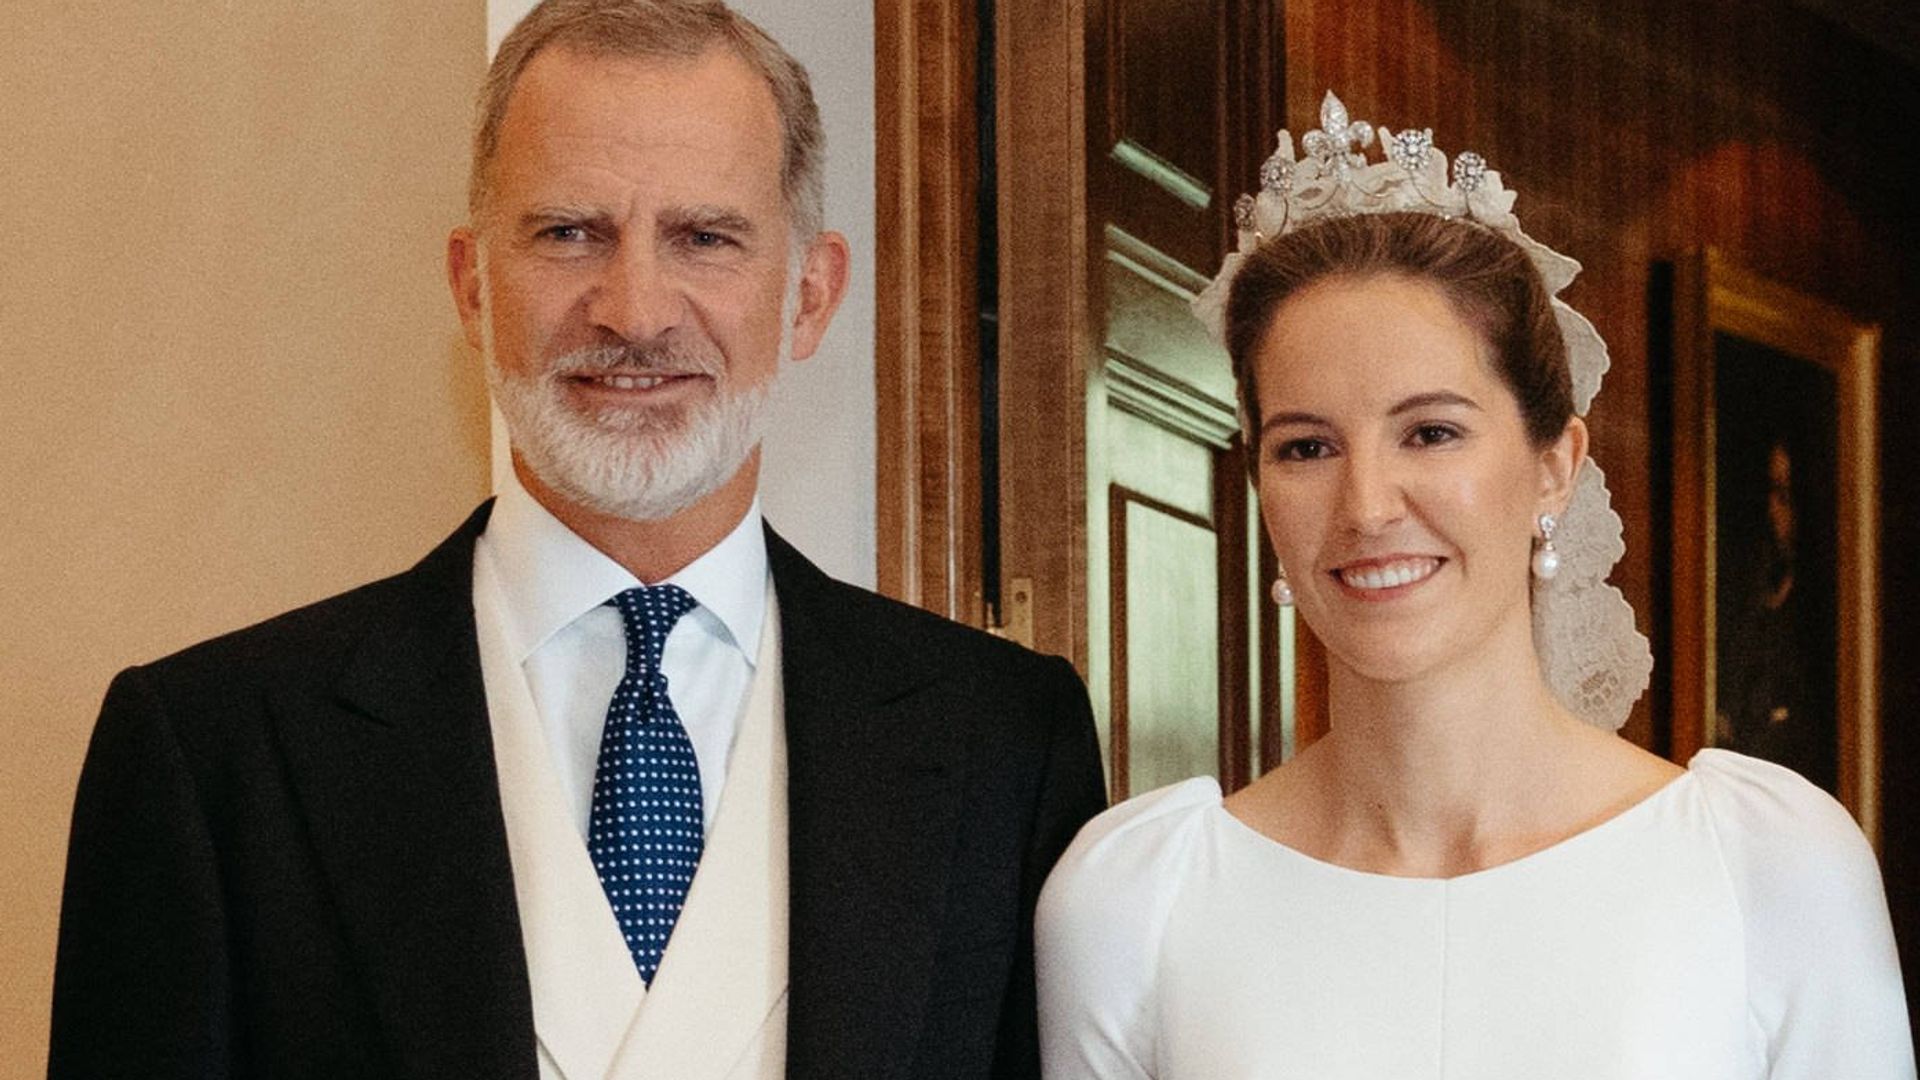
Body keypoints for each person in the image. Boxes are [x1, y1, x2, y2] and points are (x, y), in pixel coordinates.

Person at [49, 2, 1106, 1077]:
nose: (636, 310)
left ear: (810, 293)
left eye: (705, 237)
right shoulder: (215, 751)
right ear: (473, 285)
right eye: (569, 233)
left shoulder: (1005, 745)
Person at [1035, 93, 1912, 1078]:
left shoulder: (1766, 870)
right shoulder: (1134, 905)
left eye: (1432, 432)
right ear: (1259, 483)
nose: (1366, 503)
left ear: (1555, 464)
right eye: (1307, 445)